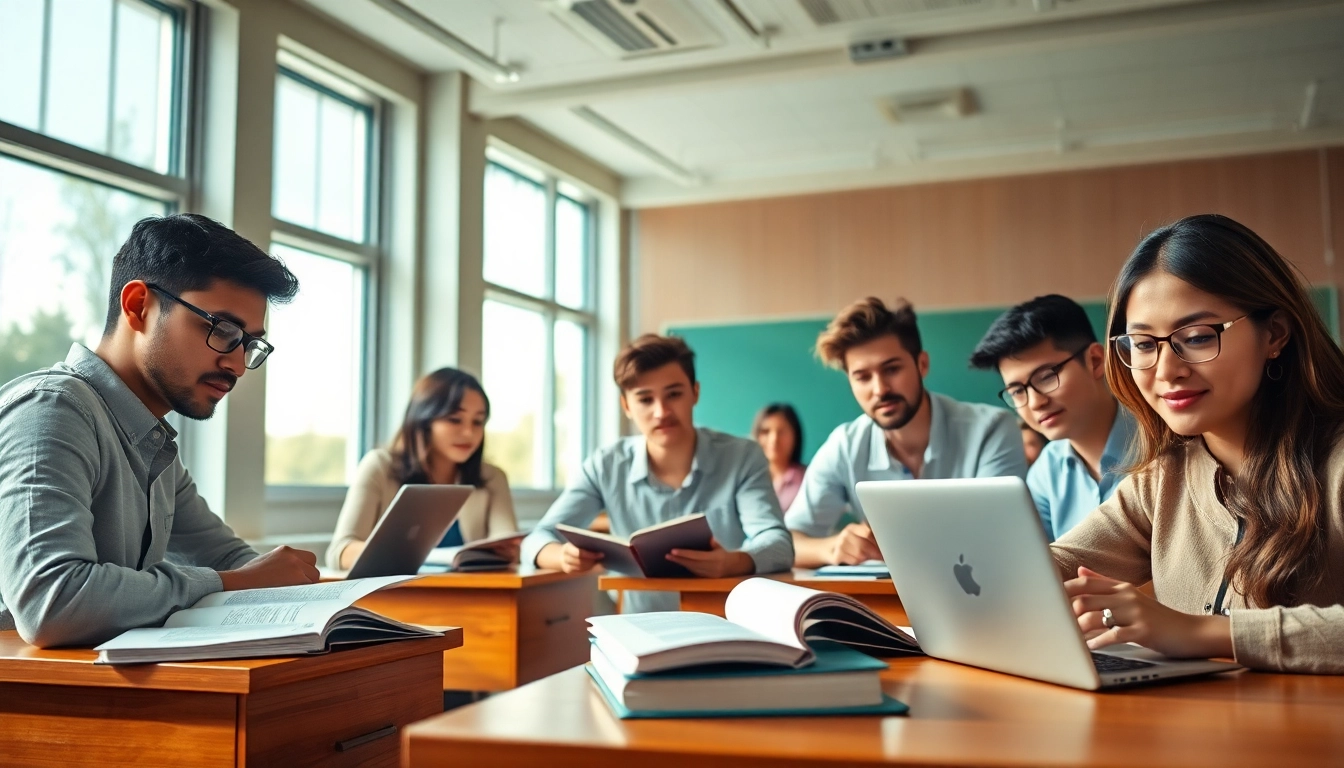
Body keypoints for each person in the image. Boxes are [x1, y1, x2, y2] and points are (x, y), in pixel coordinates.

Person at [0, 214, 319, 648]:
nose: (238, 364)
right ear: (138, 306)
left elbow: (229, 558)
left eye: (248, 342)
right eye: (223, 330)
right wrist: (230, 582)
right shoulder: (53, 408)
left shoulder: (152, 441)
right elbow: (52, 603)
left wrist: (312, 596)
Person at [1054, 213, 1344, 673]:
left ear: (1275, 334)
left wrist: (1193, 632)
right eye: (1144, 344)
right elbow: (1062, 563)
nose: (1166, 370)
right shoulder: (1163, 478)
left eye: (1195, 337)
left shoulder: (1337, 464)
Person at [520, 334, 792, 612]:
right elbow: (536, 538)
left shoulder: (742, 457)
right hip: (638, 632)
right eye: (645, 399)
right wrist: (562, 556)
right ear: (626, 406)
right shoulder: (605, 465)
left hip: (726, 626)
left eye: (673, 394)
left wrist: (734, 561)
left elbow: (779, 544)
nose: (661, 412)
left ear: (695, 392)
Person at [787, 298, 1028, 568]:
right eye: (862, 377)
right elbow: (788, 542)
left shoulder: (991, 430)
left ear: (922, 364)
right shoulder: (845, 445)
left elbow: (1002, 540)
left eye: (891, 369)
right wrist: (832, 548)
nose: (879, 389)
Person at [970, 295, 1137, 541]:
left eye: (1046, 377)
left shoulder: (1166, 445)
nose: (1035, 402)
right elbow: (1040, 565)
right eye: (1017, 391)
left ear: (1095, 361)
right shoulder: (1045, 471)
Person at [326, 368, 517, 570]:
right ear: (424, 419)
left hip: (472, 597)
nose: (469, 432)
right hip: (396, 596)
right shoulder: (379, 466)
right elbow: (340, 552)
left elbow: (508, 548)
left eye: (478, 421)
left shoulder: (492, 477)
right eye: (454, 419)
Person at [752, 403, 807, 511]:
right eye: (766, 431)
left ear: (795, 436)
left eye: (781, 432)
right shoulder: (746, 479)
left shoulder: (809, 479)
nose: (774, 439)